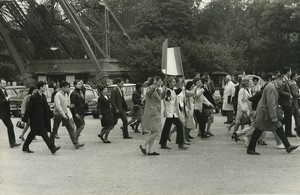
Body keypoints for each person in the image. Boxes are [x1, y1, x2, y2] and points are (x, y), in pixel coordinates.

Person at [247, 74, 299, 155]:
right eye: (282, 81)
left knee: (277, 127)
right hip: (265, 113)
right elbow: (271, 103)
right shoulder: (272, 87)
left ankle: (288, 146)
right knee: (259, 129)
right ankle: (250, 149)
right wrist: (274, 116)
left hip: (265, 112)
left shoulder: (272, 86)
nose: (283, 83)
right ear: (278, 79)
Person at [22, 81, 60, 154]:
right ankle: (52, 148)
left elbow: (46, 107)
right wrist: (24, 119)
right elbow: (29, 109)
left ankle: (25, 146)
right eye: (45, 86)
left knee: (32, 133)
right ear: (41, 87)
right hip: (35, 119)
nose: (46, 87)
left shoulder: (43, 96)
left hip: (42, 118)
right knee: (44, 133)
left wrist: (51, 115)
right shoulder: (34, 97)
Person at [51, 81, 85, 149]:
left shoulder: (64, 94)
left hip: (64, 114)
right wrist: (64, 115)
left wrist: (69, 106)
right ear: (62, 87)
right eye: (67, 87)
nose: (68, 89)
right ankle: (51, 144)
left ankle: (76, 143)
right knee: (54, 130)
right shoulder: (57, 95)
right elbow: (58, 106)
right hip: (58, 114)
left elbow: (64, 104)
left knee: (70, 129)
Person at [159, 76, 188, 150]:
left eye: (175, 81)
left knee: (166, 128)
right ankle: (180, 143)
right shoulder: (168, 90)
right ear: (169, 83)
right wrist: (166, 95)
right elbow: (167, 98)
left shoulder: (173, 90)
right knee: (180, 125)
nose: (175, 83)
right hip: (170, 112)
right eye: (173, 82)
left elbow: (179, 91)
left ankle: (163, 143)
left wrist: (182, 84)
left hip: (172, 112)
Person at [139, 77, 162, 155]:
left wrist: (163, 92)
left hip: (155, 112)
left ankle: (151, 150)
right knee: (156, 132)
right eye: (158, 81)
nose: (160, 83)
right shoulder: (150, 89)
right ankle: (144, 145)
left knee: (153, 131)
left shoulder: (156, 90)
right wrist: (154, 86)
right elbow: (149, 93)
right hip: (152, 112)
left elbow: (159, 99)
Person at [0, 78, 21, 148]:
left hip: (5, 113)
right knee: (10, 126)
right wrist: (7, 98)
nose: (4, 84)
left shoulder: (4, 91)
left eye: (5, 83)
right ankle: (12, 142)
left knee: (10, 126)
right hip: (2, 113)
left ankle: (12, 142)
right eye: (3, 83)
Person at [279, 67, 295, 137]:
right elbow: (280, 91)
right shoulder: (283, 80)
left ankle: (288, 132)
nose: (291, 73)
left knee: (288, 117)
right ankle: (277, 126)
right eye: (290, 72)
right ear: (287, 72)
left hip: (288, 102)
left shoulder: (286, 79)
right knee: (287, 118)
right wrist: (288, 95)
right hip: (285, 102)